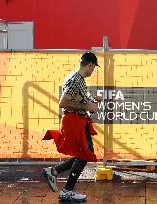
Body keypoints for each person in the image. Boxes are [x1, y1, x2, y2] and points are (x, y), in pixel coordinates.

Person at [42, 52, 101, 202]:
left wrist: (91, 102)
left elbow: (77, 100)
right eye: (93, 68)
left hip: (78, 119)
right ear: (90, 65)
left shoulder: (78, 79)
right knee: (85, 154)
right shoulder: (76, 80)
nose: (93, 71)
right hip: (74, 120)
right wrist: (87, 105)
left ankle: (55, 172)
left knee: (83, 153)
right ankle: (66, 189)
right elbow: (63, 102)